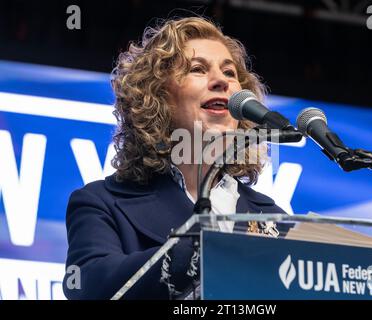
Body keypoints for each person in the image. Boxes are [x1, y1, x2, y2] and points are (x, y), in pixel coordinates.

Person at [63, 16, 286, 300]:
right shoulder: (102, 203)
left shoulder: (271, 216)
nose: (221, 81)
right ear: (158, 97)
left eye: (230, 73)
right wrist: (202, 248)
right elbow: (90, 286)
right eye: (197, 69)